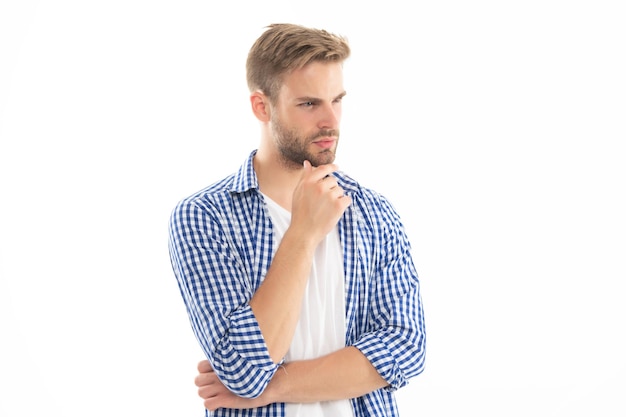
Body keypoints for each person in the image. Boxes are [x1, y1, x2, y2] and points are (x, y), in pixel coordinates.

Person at [168, 23, 426, 417]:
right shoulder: (205, 218)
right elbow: (244, 370)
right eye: (309, 104)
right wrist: (303, 234)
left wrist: (272, 388)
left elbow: (406, 348)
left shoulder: (374, 212)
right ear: (262, 106)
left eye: (336, 100)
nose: (330, 121)